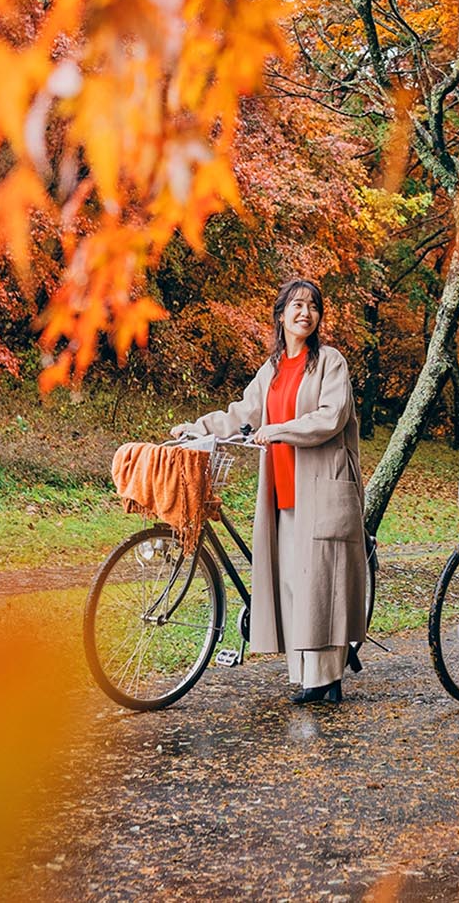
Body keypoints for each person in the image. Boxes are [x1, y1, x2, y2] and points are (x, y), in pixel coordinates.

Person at [172, 279, 369, 704]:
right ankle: (307, 677)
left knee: (321, 584)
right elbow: (243, 413)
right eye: (297, 306)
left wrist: (278, 430)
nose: (305, 313)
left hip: (323, 488)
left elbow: (330, 417)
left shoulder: (331, 362)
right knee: (294, 586)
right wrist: (198, 427)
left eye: (313, 307)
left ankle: (327, 678)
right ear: (281, 315)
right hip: (284, 491)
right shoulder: (274, 369)